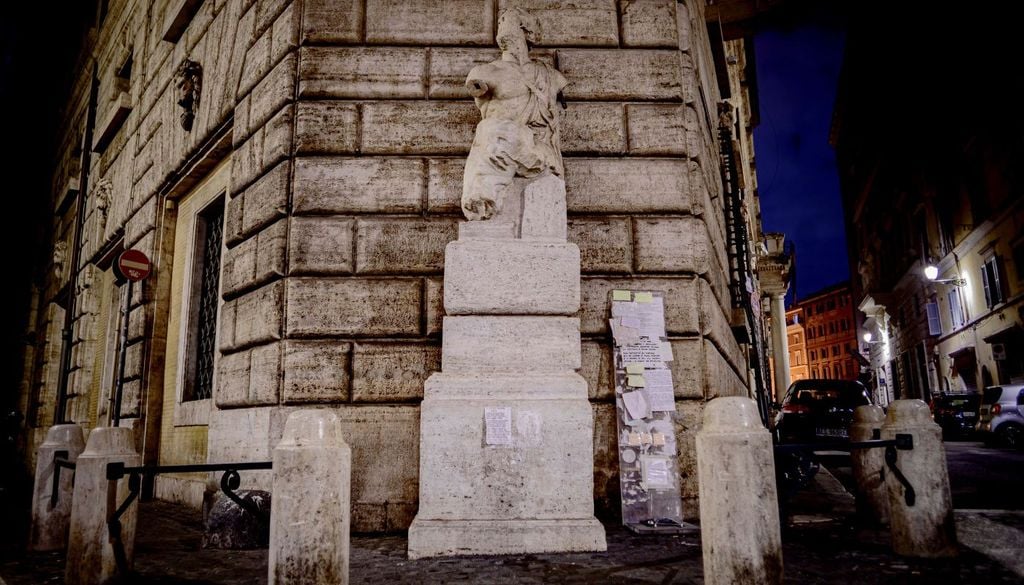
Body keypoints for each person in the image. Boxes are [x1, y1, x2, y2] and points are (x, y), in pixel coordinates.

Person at [461, 8, 568, 222]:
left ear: (527, 31)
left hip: (536, 151)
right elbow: (475, 86)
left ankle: (485, 200)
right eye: (500, 20)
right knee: (492, 129)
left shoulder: (550, 77)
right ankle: (483, 202)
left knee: (497, 131)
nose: (502, 21)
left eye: (510, 19)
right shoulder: (484, 73)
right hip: (499, 145)